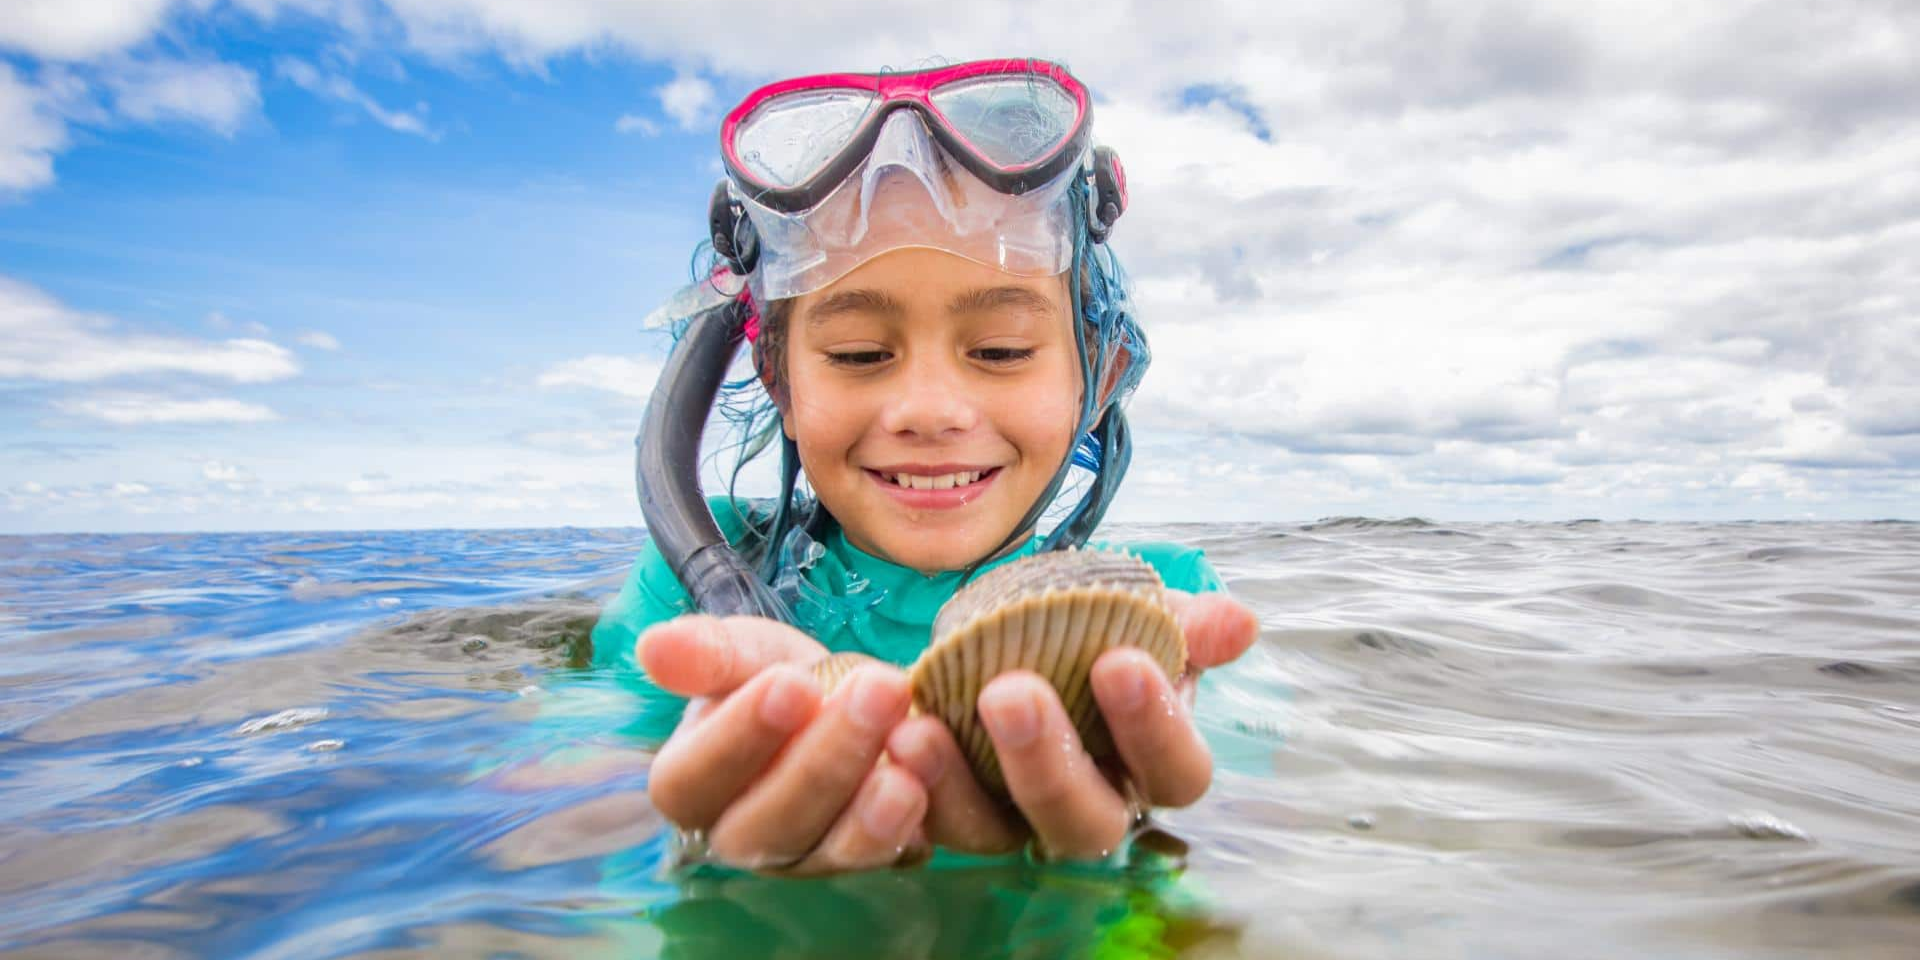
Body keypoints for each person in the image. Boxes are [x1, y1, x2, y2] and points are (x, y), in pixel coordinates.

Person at [589, 58, 1258, 876]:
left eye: (1003, 350)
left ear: (1102, 375)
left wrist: (1112, 872)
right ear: (782, 385)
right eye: (860, 353)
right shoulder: (693, 590)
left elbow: (1249, 834)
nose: (929, 409)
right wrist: (701, 864)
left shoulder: (1174, 605)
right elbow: (567, 804)